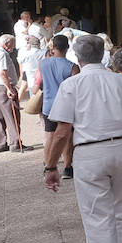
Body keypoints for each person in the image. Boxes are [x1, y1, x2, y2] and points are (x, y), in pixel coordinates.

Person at [42, 34, 122, 243]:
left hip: (91, 151)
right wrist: (116, 125)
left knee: (97, 217)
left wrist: (50, 166)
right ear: (103, 55)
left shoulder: (72, 84)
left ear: (78, 57)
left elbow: (63, 132)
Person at [39, 34, 78, 179]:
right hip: (66, 106)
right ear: (67, 48)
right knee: (68, 137)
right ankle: (67, 167)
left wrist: (49, 52)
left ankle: (48, 163)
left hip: (48, 105)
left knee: (49, 136)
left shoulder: (43, 63)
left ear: (53, 47)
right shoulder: (73, 67)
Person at [0, 33, 23, 152]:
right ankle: (15, 143)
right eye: (13, 45)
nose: (14, 48)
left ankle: (0, 144)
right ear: (7, 44)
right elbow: (3, 72)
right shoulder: (3, 54)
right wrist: (9, 88)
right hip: (2, 88)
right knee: (12, 115)